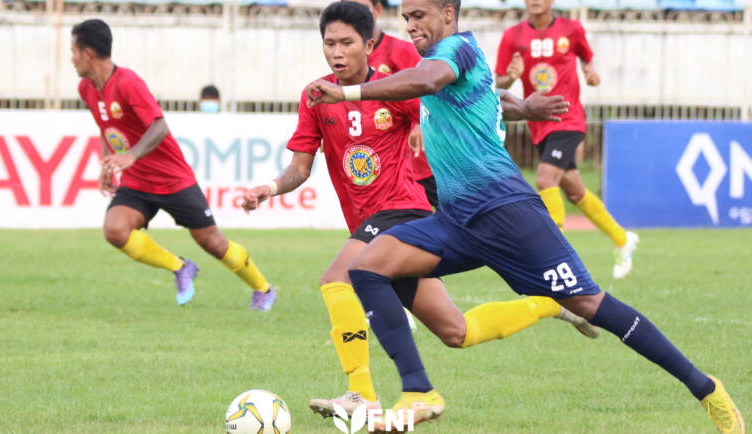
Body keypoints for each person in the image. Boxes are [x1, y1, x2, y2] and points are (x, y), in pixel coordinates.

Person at [305, 0, 745, 432]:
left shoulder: (454, 51)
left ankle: (706, 389)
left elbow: (427, 80)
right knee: (365, 268)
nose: (410, 26)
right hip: (456, 220)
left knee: (591, 305)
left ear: (448, 13)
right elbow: (481, 97)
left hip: (507, 212)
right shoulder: (446, 64)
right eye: (405, 18)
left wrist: (347, 93)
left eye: (418, 16)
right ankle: (419, 392)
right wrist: (524, 108)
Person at [242, 1, 598, 420]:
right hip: (369, 226)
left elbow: (475, 98)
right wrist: (269, 188)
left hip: (404, 211)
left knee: (336, 279)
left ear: (369, 44)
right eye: (329, 43)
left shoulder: (396, 88)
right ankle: (552, 304)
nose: (337, 52)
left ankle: (361, 395)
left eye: (346, 43)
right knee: (456, 331)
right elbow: (300, 167)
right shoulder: (316, 96)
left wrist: (522, 109)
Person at [70, 19, 276, 311]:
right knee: (115, 230)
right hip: (137, 182)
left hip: (172, 179)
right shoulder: (86, 88)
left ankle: (263, 288)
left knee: (213, 244)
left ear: (87, 52)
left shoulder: (128, 83)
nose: (71, 59)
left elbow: (159, 127)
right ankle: (180, 267)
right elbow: (106, 127)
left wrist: (131, 156)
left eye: (73, 51)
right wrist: (107, 163)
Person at [494, 0, 638, 279]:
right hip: (539, 124)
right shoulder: (513, 36)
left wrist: (590, 72)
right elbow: (498, 82)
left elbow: (587, 57)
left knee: (546, 180)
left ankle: (555, 256)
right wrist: (509, 77)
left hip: (568, 119)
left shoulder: (571, 30)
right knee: (574, 191)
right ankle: (622, 239)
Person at [347, 0, 438, 207]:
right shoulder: (347, 58)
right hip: (381, 166)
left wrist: (419, 122)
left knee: (458, 220)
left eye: (361, 9)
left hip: (419, 162)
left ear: (378, 10)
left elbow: (430, 88)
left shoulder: (402, 51)